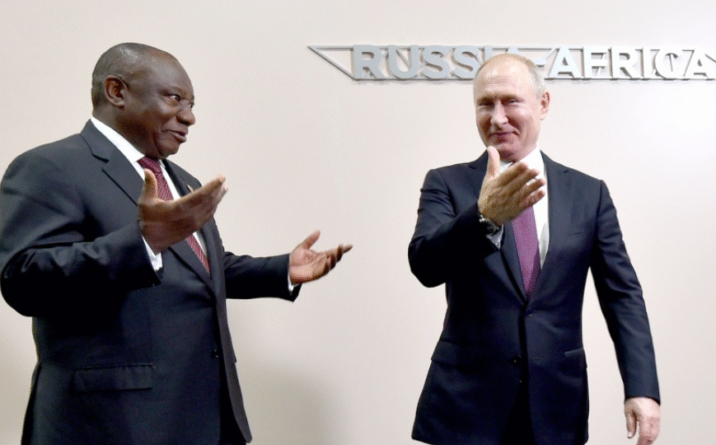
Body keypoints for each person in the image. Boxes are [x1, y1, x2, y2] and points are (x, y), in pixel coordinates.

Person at [0, 42, 351, 445]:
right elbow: (24, 280)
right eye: (174, 98)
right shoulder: (50, 166)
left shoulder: (181, 178)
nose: (189, 116)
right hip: (110, 424)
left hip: (199, 417)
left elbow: (200, 267)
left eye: (191, 103)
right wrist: (142, 242)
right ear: (117, 91)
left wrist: (281, 270)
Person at [408, 53, 660, 445]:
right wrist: (483, 217)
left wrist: (641, 387)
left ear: (543, 104)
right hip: (465, 409)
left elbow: (622, 296)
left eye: (511, 101)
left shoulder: (588, 193)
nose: (497, 118)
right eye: (485, 104)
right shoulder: (447, 183)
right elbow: (425, 265)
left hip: (557, 407)